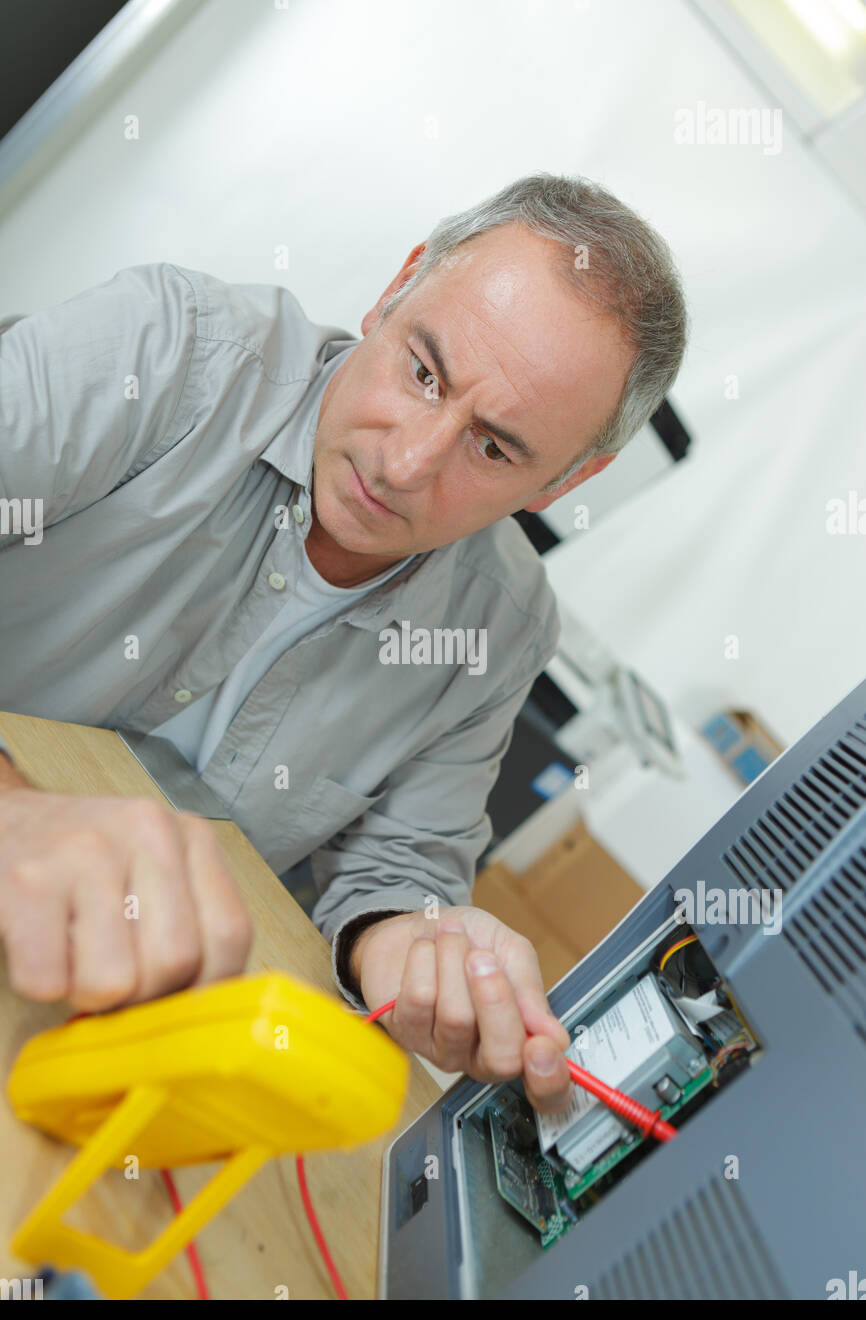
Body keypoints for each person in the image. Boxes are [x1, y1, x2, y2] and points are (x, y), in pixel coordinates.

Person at [0, 173, 687, 1113]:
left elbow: (397, 871)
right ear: (398, 286)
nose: (403, 464)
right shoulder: (168, 351)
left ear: (566, 481)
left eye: (493, 448)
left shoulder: (501, 630)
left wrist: (416, 952)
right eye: (422, 372)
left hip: (89, 1025)